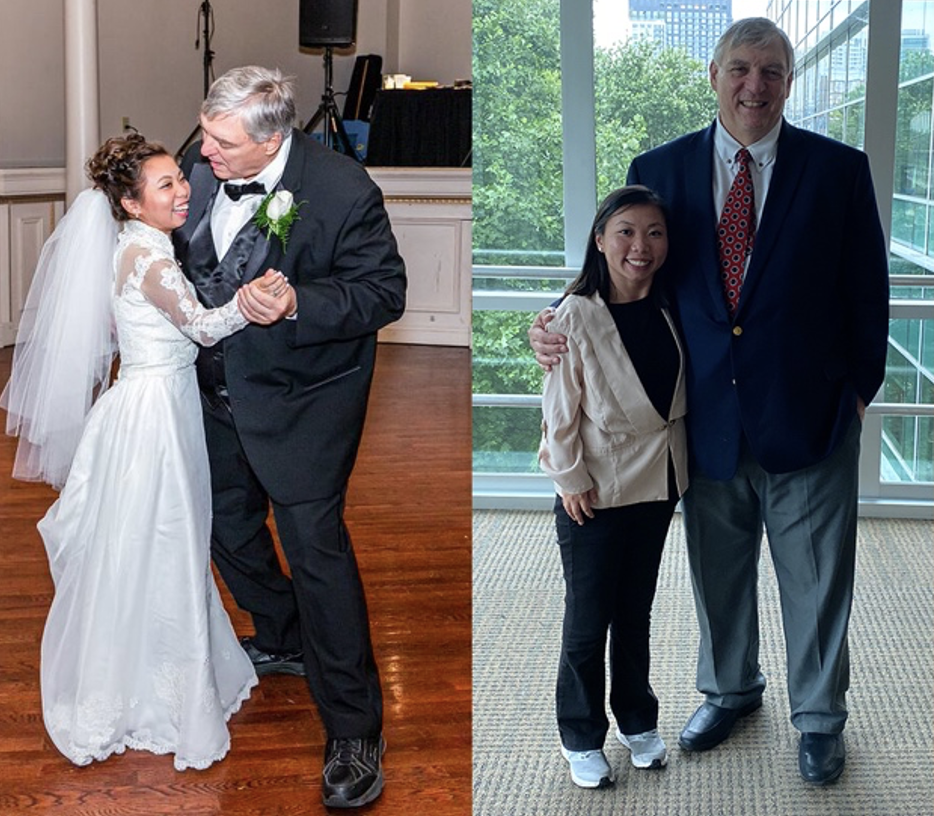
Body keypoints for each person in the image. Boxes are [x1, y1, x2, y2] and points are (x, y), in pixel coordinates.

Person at [530, 18, 889, 786]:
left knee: (818, 579)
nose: (754, 86)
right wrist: (553, 318)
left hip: (811, 417)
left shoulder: (838, 170)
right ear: (714, 75)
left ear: (788, 84)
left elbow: (867, 292)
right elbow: (627, 261)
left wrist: (858, 393)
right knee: (717, 571)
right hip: (703, 423)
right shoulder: (661, 167)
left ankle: (821, 719)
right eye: (739, 69)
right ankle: (731, 691)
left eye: (771, 72)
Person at [1, 133, 295, 769]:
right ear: (132, 204)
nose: (184, 188)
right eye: (166, 185)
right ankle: (154, 692)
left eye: (179, 178)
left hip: (153, 400)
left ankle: (157, 665)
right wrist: (252, 301)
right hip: (155, 414)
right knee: (164, 539)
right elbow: (203, 326)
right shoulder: (151, 261)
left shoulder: (137, 247)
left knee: (152, 540)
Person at [172, 66, 406, 808]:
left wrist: (300, 300)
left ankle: (354, 728)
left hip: (304, 401)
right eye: (204, 134)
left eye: (222, 142)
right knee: (227, 530)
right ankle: (280, 636)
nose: (203, 153)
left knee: (316, 553)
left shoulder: (342, 189)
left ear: (272, 138)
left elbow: (384, 292)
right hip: (209, 391)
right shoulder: (200, 156)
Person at [539, 186, 688, 789]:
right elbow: (559, 409)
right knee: (587, 617)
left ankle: (636, 718)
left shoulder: (677, 303)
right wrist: (570, 476)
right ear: (600, 239)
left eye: (654, 232)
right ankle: (580, 734)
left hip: (659, 483)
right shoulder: (573, 314)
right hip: (594, 491)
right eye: (625, 231)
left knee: (636, 612)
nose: (640, 246)